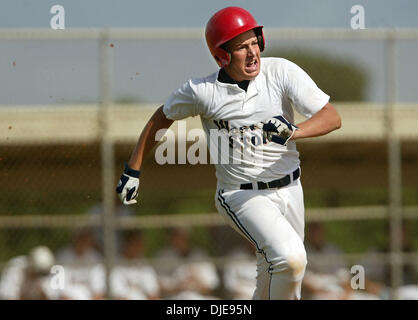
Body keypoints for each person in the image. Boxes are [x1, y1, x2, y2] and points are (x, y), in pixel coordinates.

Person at [116, 6, 341, 300]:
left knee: (275, 268)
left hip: (291, 189)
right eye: (240, 47)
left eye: (254, 42)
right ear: (222, 55)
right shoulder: (202, 91)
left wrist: (294, 131)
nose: (252, 53)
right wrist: (133, 169)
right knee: (291, 259)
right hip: (242, 195)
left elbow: (332, 117)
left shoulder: (281, 71)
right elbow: (163, 116)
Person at [154, 227, 220, 300]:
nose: (178, 240)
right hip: (174, 298)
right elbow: (157, 284)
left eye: (182, 236)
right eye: (175, 236)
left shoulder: (201, 256)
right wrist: (179, 286)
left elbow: (210, 287)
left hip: (199, 297)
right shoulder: (164, 256)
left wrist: (196, 280)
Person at [110, 231, 160, 300]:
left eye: (140, 244)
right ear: (126, 244)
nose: (139, 248)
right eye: (135, 244)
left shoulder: (144, 264)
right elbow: (118, 295)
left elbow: (153, 293)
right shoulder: (116, 264)